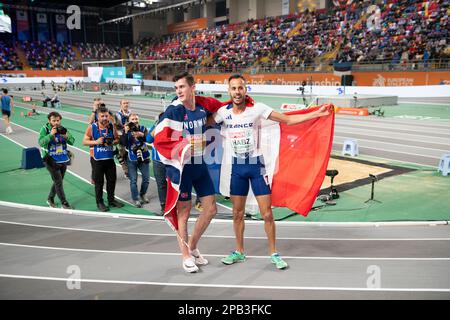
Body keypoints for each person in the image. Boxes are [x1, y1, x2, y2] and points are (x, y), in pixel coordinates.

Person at [209, 74, 330, 269]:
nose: (237, 92)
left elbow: (288, 120)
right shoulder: (223, 113)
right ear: (228, 91)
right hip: (237, 168)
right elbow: (203, 122)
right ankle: (239, 252)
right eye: (233, 88)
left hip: (257, 167)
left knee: (267, 214)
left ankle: (274, 253)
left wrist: (316, 114)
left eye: (241, 88)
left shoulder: (258, 109)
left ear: (245, 89)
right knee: (237, 214)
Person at [154, 72, 219, 273]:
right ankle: (185, 256)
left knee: (210, 209)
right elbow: (161, 138)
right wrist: (184, 145)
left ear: (193, 87)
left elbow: (216, 113)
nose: (179, 91)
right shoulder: (174, 111)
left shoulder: (201, 108)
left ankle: (192, 245)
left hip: (200, 166)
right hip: (182, 170)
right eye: (176, 88)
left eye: (182, 87)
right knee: (184, 212)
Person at [82, 105, 124, 212]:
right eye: (102, 116)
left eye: (106, 116)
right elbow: (84, 141)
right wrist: (96, 142)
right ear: (97, 117)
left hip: (109, 158)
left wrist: (112, 141)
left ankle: (111, 200)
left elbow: (116, 139)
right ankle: (99, 202)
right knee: (99, 182)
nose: (105, 118)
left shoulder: (111, 126)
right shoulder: (92, 127)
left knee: (111, 180)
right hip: (97, 160)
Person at [38, 111, 74, 209]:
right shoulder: (44, 129)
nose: (56, 123)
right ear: (49, 120)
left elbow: (72, 141)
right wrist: (50, 135)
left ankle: (50, 198)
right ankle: (64, 203)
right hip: (50, 159)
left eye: (58, 120)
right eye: (54, 121)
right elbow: (41, 142)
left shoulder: (63, 129)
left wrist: (66, 137)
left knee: (58, 180)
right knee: (58, 181)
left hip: (62, 158)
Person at [121, 113, 150, 208]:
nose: (135, 120)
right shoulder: (127, 130)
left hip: (144, 157)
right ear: (129, 121)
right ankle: (136, 198)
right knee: (133, 180)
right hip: (132, 158)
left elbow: (149, 140)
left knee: (146, 178)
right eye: (132, 119)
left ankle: (142, 194)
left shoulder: (143, 128)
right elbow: (124, 143)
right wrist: (125, 132)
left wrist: (142, 135)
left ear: (139, 119)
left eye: (136, 119)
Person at [146, 112, 167, 215]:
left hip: (171, 162)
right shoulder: (156, 126)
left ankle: (175, 206)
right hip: (158, 161)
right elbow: (148, 139)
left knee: (174, 185)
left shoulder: (175, 126)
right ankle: (164, 207)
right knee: (161, 185)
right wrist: (157, 126)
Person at [115, 99, 132, 177]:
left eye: (127, 103)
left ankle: (130, 169)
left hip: (130, 136)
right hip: (121, 136)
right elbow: (116, 126)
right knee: (122, 154)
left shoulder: (131, 113)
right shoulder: (117, 115)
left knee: (130, 152)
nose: (126, 104)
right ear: (121, 105)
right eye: (124, 103)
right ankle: (126, 170)